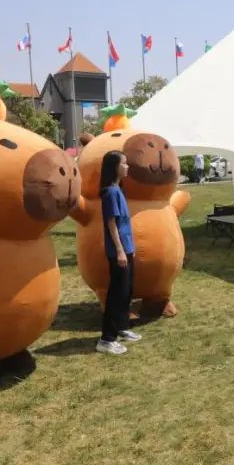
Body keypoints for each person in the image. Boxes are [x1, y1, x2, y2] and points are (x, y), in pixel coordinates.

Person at [96, 151, 142, 355]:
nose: (127, 166)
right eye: (124, 163)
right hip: (118, 251)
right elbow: (111, 224)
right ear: (114, 167)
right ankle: (106, 340)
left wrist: (130, 249)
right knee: (117, 294)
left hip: (127, 249)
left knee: (127, 291)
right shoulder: (110, 192)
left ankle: (122, 327)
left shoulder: (118, 189)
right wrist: (120, 251)